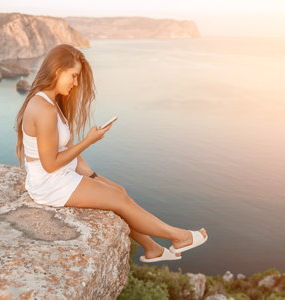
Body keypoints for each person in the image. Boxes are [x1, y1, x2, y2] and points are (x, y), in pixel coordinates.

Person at [15, 44, 208, 263]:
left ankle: (152, 248)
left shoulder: (51, 103)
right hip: (50, 184)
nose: (76, 83)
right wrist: (88, 141)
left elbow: (65, 149)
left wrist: (93, 176)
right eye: (74, 76)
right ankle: (179, 236)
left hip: (61, 176)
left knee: (119, 191)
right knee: (118, 199)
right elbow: (50, 164)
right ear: (58, 70)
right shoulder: (44, 108)